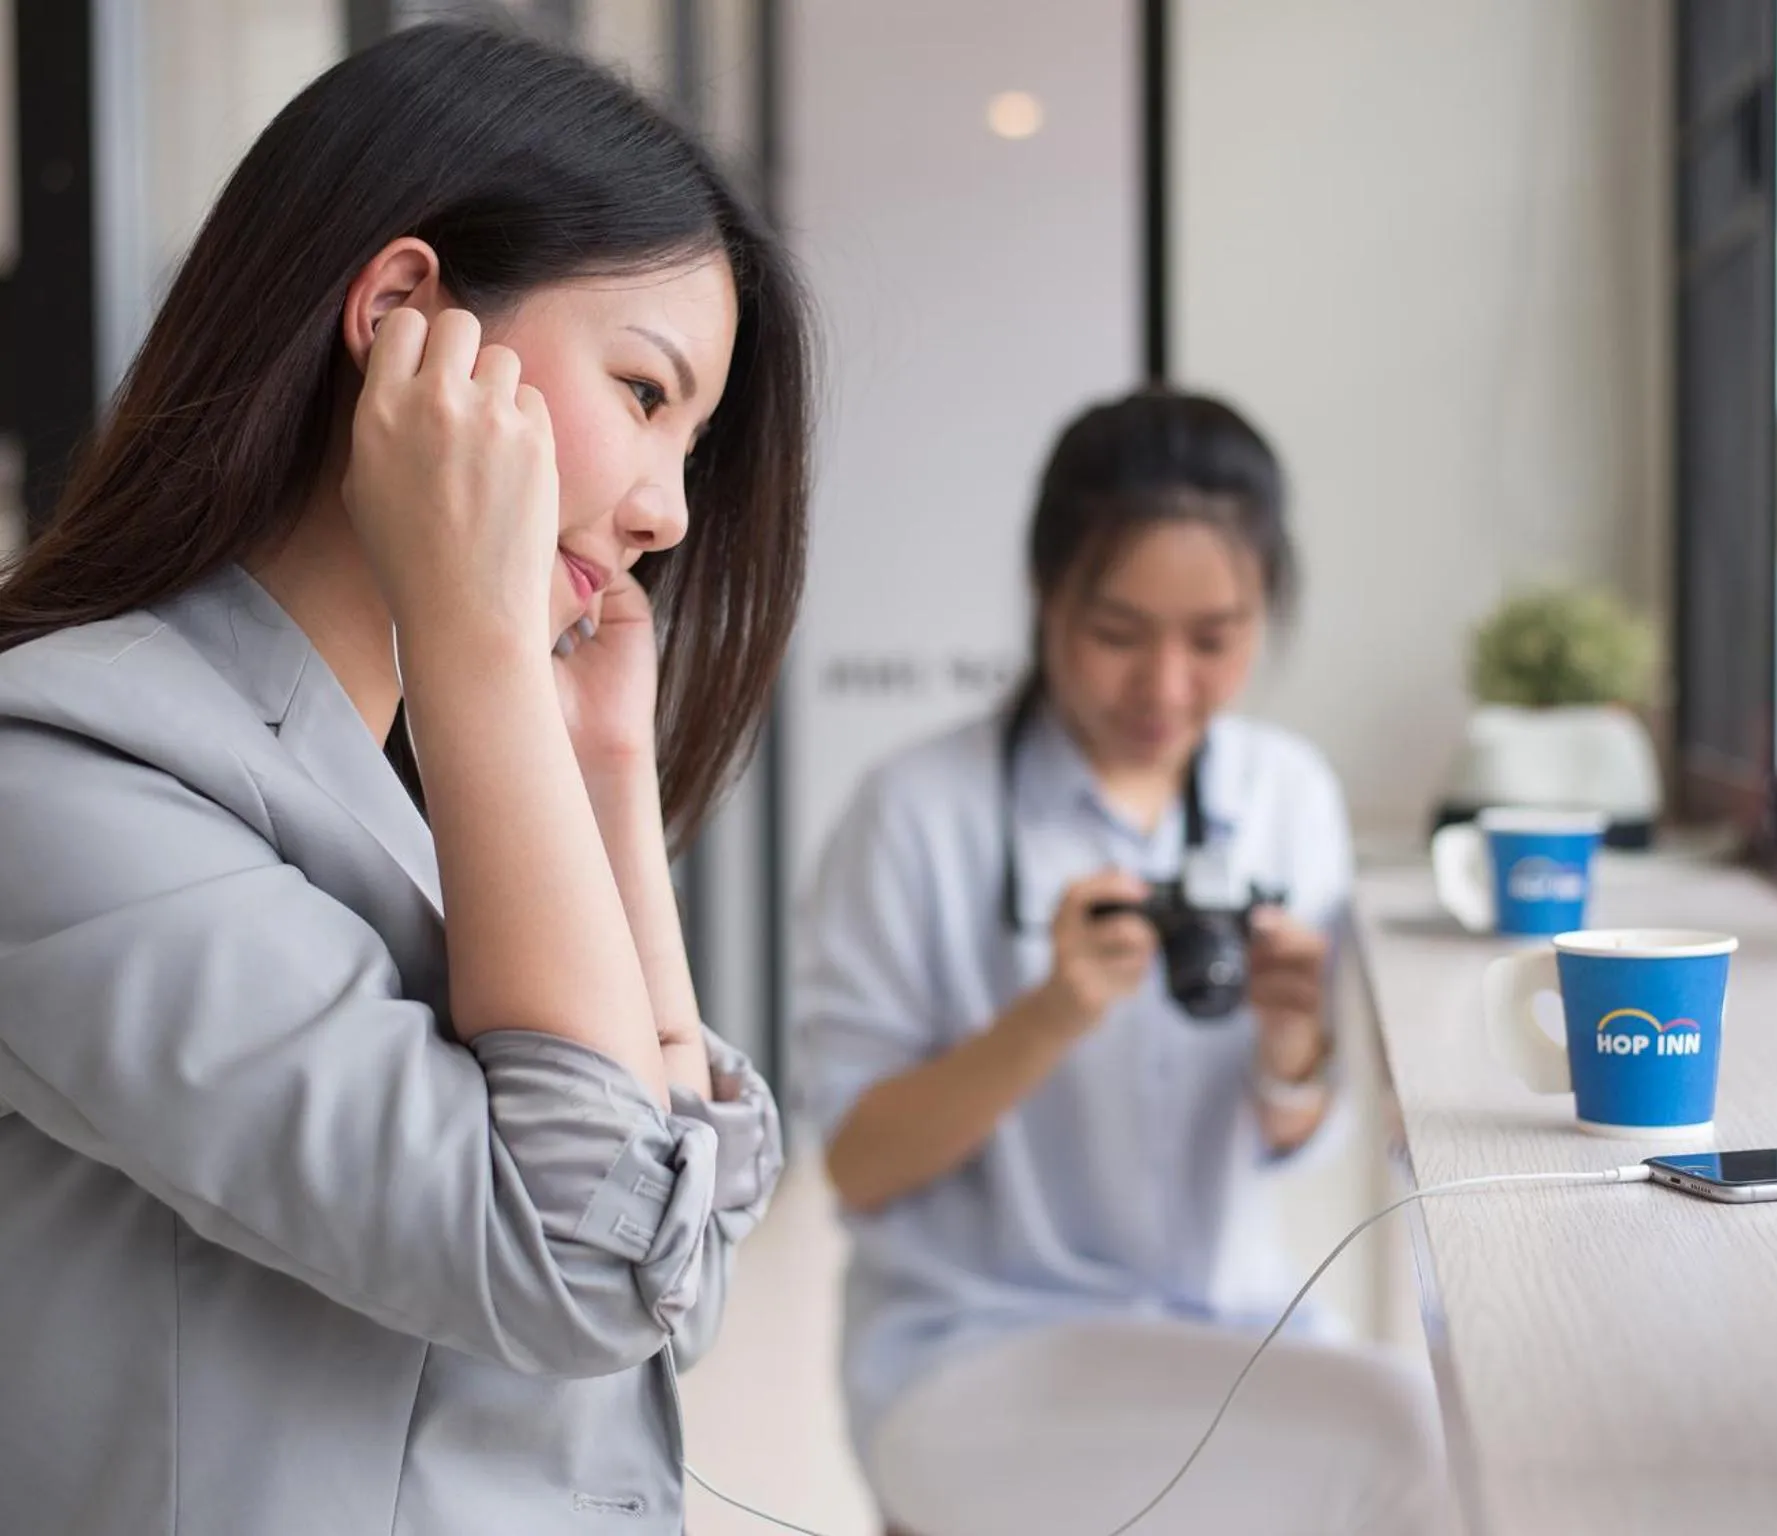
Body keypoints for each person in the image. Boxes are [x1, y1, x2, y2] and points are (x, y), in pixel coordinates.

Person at [0, 24, 809, 1536]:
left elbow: (676, 1271)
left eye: (692, 443)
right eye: (645, 395)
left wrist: (603, 771)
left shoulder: (438, 789)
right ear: (400, 321)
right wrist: (481, 649)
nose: (669, 513)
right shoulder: (57, 782)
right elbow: (591, 1261)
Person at [794, 389, 1448, 1535]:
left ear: (1264, 612)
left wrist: (1292, 1051)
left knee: (1454, 1434)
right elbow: (858, 1165)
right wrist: (1048, 1014)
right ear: (1044, 596)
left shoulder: (1283, 795)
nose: (1163, 688)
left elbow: (1297, 1137)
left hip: (1229, 1327)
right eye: (1116, 634)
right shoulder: (913, 814)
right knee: (1407, 1455)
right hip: (977, 1350)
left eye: (1213, 639)